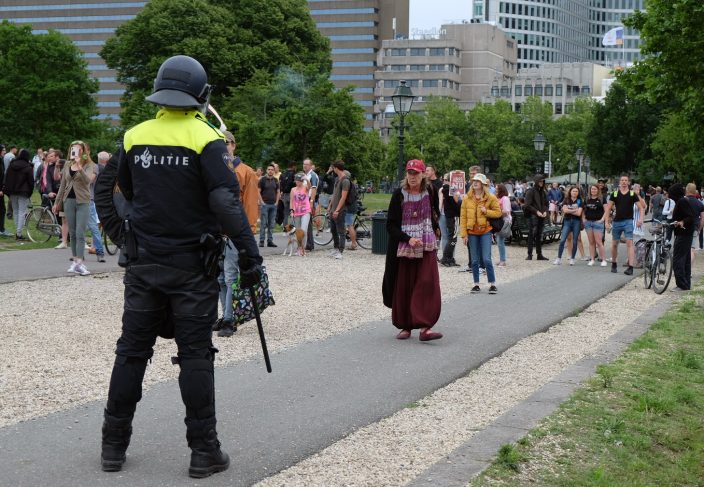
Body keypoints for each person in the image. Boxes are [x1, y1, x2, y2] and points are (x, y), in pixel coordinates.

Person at [95, 55, 262, 478]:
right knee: (195, 356)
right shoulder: (205, 138)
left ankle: (112, 446)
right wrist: (250, 256)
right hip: (192, 268)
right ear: (200, 95)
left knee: (131, 353)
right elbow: (225, 202)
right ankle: (203, 452)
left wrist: (121, 233)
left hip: (145, 266)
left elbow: (112, 187)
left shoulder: (135, 135)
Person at [382, 159, 442, 341]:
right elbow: (390, 225)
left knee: (427, 282)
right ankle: (406, 325)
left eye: (416, 173)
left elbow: (433, 214)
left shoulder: (429, 191)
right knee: (404, 286)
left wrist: (432, 231)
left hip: (426, 245)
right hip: (404, 247)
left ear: (423, 174)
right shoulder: (398, 195)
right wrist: (408, 239)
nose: (412, 177)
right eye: (409, 173)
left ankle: (425, 327)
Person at [213, 130, 261, 338]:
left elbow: (250, 205)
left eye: (226, 143)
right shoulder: (214, 168)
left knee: (231, 275)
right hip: (217, 231)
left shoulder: (246, 172)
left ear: (233, 145)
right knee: (220, 277)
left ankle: (230, 319)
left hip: (235, 232)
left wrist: (247, 235)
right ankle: (225, 314)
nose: (223, 146)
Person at [53, 141, 98, 276]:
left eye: (79, 149)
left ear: (83, 151)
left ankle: (80, 262)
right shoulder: (67, 164)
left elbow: (88, 181)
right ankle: (75, 261)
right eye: (73, 149)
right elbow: (62, 185)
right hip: (68, 201)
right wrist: (57, 202)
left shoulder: (90, 165)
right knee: (72, 233)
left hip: (83, 201)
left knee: (80, 233)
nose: (75, 151)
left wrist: (79, 166)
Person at [460, 173, 501, 294]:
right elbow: (463, 217)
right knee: (474, 260)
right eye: (474, 181)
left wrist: (486, 211)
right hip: (471, 232)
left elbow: (498, 213)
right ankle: (476, 284)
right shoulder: (467, 198)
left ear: (483, 184)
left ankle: (492, 284)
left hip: (485, 231)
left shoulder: (490, 197)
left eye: (478, 181)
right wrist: (464, 235)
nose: (475, 183)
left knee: (487, 259)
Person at [605, 175, 644, 275]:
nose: (624, 182)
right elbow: (608, 208)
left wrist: (640, 219)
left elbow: (641, 208)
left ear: (628, 182)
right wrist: (606, 222)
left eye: (626, 180)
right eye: (622, 180)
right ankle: (614, 263)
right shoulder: (614, 194)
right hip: (617, 221)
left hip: (628, 221)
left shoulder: (632, 194)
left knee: (629, 243)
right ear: (619, 182)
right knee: (614, 244)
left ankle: (630, 267)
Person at [669, 183, 696, 291]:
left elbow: (690, 217)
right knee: (685, 260)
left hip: (683, 234)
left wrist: (682, 222)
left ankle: (681, 284)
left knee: (678, 259)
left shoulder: (682, 202)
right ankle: (686, 284)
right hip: (686, 233)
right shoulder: (682, 201)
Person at [2, 148, 34, 240]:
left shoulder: (12, 165)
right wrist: (30, 192)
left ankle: (18, 231)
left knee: (16, 211)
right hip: (23, 192)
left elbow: (7, 177)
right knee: (21, 212)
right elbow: (31, 181)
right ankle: (19, 233)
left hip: (12, 191)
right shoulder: (28, 167)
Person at [553, 186, 583, 266]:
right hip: (567, 222)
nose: (575, 192)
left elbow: (579, 213)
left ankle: (572, 258)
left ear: (578, 193)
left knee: (575, 240)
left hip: (576, 222)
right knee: (562, 240)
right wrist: (574, 210)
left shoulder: (580, 201)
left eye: (576, 191)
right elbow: (565, 211)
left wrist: (569, 210)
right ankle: (558, 258)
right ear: (570, 192)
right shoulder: (566, 200)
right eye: (573, 191)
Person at [87, 151, 108, 262]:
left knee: (95, 224)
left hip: (93, 197)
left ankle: (93, 246)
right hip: (99, 198)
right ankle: (95, 247)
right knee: (96, 224)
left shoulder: (94, 167)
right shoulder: (106, 170)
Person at [523, 174, 549, 260]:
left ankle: (539, 254)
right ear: (537, 181)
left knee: (539, 235)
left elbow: (546, 204)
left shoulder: (543, 192)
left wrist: (545, 211)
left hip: (541, 216)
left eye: (542, 181)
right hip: (533, 217)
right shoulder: (530, 191)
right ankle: (529, 254)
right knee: (532, 235)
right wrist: (536, 212)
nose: (542, 183)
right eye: (540, 181)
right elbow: (527, 205)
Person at [328, 161, 350, 260]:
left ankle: (340, 251)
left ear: (336, 168)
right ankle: (336, 248)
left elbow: (343, 197)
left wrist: (337, 210)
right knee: (333, 230)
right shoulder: (337, 179)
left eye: (333, 168)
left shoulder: (345, 181)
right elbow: (334, 194)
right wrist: (330, 206)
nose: (332, 170)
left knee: (341, 231)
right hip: (333, 209)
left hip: (340, 210)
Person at [583, 184, 607, 266]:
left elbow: (606, 210)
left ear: (598, 190)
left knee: (599, 242)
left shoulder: (601, 199)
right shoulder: (587, 199)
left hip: (597, 222)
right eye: (592, 189)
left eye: (595, 189)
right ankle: (592, 259)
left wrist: (602, 220)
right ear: (590, 190)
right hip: (588, 223)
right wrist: (583, 218)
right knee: (591, 242)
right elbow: (583, 209)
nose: (593, 190)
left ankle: (603, 259)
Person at [439, 175, 461, 267]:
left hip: (448, 215)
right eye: (444, 180)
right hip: (454, 216)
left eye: (446, 180)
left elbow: (441, 204)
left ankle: (449, 258)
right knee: (453, 239)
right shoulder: (452, 189)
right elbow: (456, 201)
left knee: (451, 238)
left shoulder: (442, 189)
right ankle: (446, 257)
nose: (445, 181)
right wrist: (458, 195)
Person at [289, 172, 311, 255]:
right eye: (296, 181)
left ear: (302, 181)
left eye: (299, 181)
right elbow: (291, 200)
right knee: (298, 231)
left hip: (306, 211)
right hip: (296, 212)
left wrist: (307, 179)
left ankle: (302, 248)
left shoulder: (305, 188)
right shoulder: (293, 189)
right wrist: (291, 210)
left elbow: (310, 186)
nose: (297, 182)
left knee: (303, 230)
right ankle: (298, 247)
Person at [257, 164, 279, 247]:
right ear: (266, 170)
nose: (270, 171)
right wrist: (261, 202)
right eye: (269, 169)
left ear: (274, 171)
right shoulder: (262, 180)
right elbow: (258, 191)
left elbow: (278, 191)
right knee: (263, 223)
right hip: (265, 205)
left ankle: (270, 241)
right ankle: (261, 241)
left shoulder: (276, 180)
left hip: (273, 205)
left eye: (272, 169)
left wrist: (277, 202)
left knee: (271, 224)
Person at [302, 158, 318, 251]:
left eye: (307, 164)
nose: (305, 166)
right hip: (304, 201)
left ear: (311, 165)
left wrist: (311, 201)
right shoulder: (306, 175)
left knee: (308, 223)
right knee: (307, 223)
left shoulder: (313, 175)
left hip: (309, 201)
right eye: (304, 164)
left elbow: (314, 189)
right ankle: (308, 243)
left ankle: (310, 244)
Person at [495, 183, 512, 266]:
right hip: (500, 221)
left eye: (497, 189)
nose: (495, 190)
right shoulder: (500, 198)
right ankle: (502, 259)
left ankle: (503, 260)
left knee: (500, 241)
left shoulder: (505, 198)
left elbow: (506, 211)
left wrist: (497, 213)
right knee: (499, 241)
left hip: (504, 221)